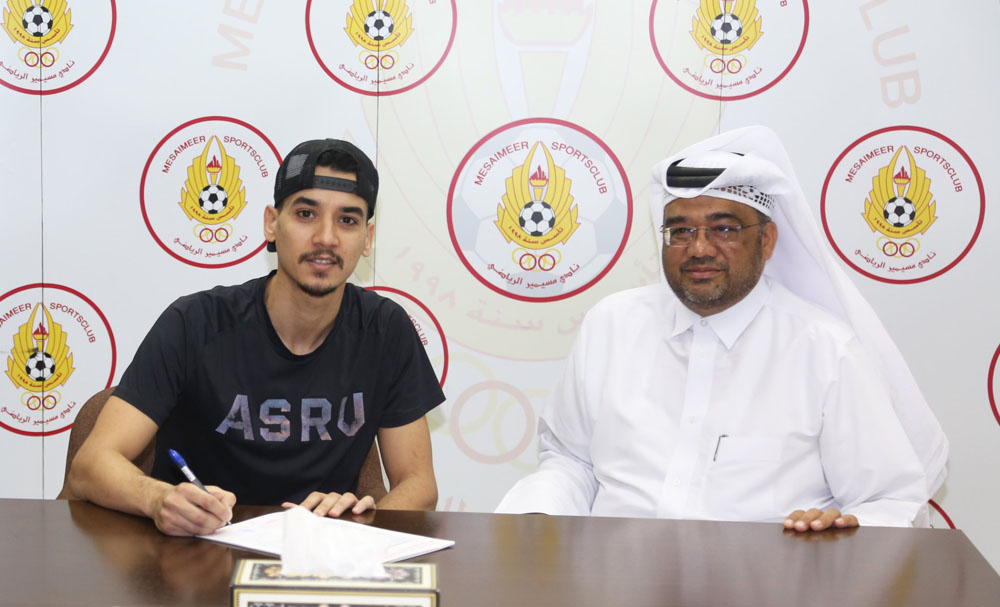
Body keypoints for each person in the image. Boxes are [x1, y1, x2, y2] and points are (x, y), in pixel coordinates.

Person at [496, 126, 948, 531]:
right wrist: (538, 516)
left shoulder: (826, 349)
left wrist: (842, 528)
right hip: (614, 578)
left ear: (766, 241)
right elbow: (571, 460)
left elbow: (889, 501)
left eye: (725, 229)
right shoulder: (611, 323)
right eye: (680, 231)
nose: (700, 249)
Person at [69, 139, 445, 536]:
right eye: (306, 214)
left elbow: (419, 484)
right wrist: (158, 498)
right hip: (197, 549)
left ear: (367, 239)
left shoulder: (386, 330)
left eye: (347, 221)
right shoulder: (195, 323)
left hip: (319, 554)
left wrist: (358, 533)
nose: (326, 237)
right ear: (271, 223)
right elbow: (90, 464)